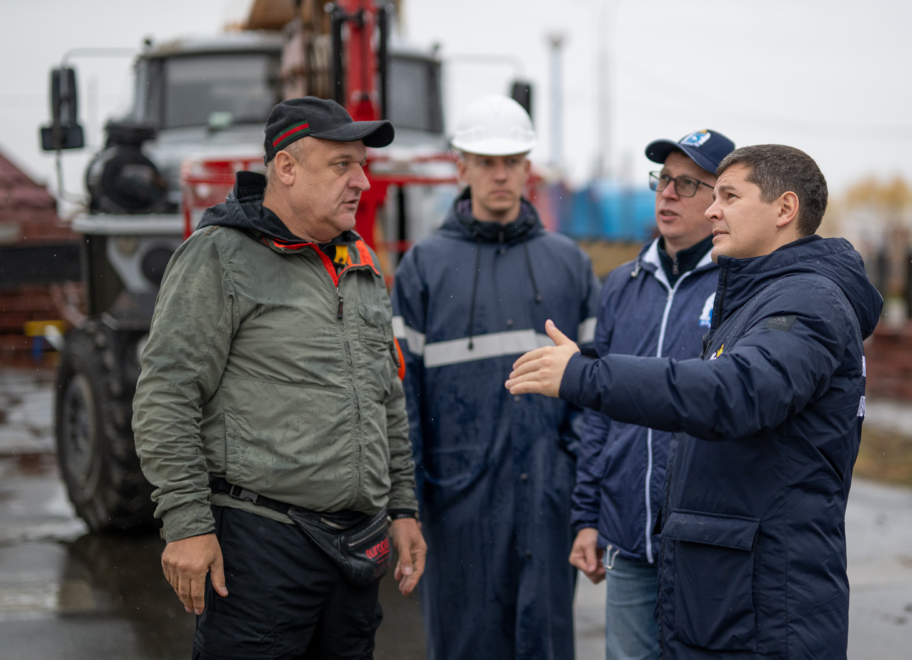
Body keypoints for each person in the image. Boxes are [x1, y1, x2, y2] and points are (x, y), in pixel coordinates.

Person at [508, 144, 884, 660]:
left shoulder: (806, 301)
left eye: (728, 196)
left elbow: (734, 393)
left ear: (784, 209)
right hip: (732, 595)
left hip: (765, 608)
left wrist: (586, 376)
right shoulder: (760, 298)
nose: (711, 210)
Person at [132, 97, 426, 660]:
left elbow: (386, 396)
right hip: (261, 548)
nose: (363, 182)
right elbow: (167, 396)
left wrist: (403, 510)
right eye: (342, 165)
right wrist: (187, 525)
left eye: (362, 165)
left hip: (356, 552)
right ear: (286, 168)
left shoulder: (359, 260)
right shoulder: (221, 255)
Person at [392, 95, 600, 660]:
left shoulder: (570, 265)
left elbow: (595, 394)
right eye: (486, 161)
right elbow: (401, 398)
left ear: (528, 166)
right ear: (461, 166)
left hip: (549, 503)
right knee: (465, 644)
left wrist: (578, 485)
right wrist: (407, 506)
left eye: (511, 161)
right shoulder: (424, 267)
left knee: (544, 643)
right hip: (457, 505)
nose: (500, 174)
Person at [569, 129, 735, 660]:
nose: (667, 194)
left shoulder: (738, 286)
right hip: (627, 536)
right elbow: (599, 412)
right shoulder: (622, 283)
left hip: (704, 544)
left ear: (721, 199)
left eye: (687, 184)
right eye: (663, 180)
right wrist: (587, 517)